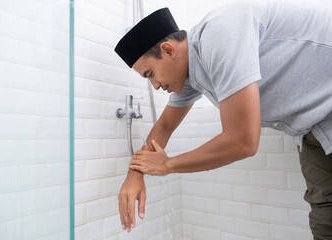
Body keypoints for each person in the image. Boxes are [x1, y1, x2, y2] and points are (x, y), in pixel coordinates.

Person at [114, 1, 332, 238]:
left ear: (168, 50)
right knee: (325, 219)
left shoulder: (219, 34)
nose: (155, 85)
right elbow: (165, 126)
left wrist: (166, 165)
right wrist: (134, 174)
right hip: (313, 127)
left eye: (151, 74)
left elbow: (243, 141)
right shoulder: (189, 74)